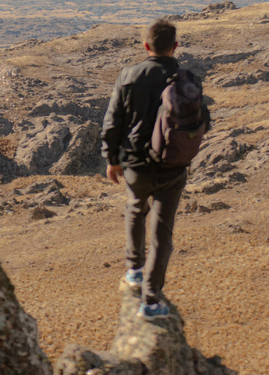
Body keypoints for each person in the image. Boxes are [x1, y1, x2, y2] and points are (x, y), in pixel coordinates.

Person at [100, 18, 197, 320]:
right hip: (173, 165)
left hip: (136, 163)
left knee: (135, 207)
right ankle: (152, 302)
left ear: (146, 46)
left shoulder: (130, 75)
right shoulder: (186, 78)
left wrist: (111, 158)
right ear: (175, 47)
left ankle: (134, 271)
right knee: (162, 235)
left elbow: (113, 121)